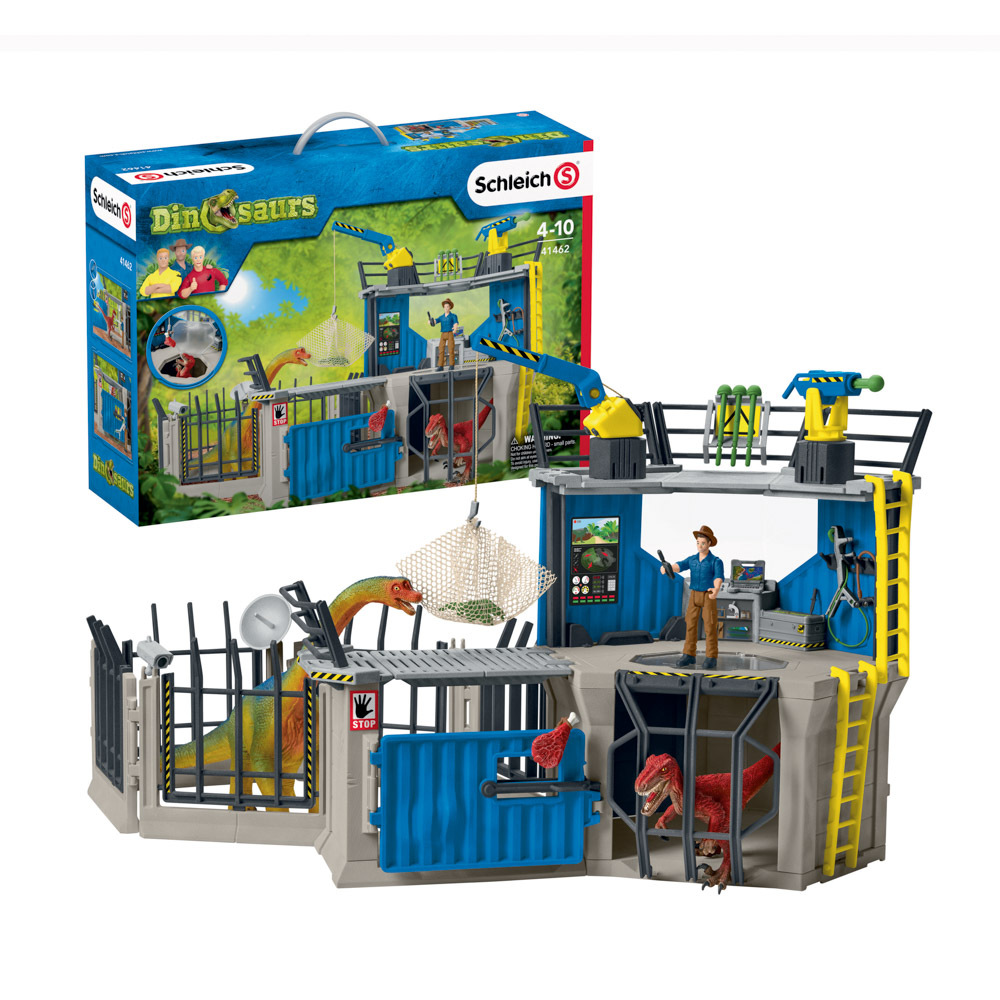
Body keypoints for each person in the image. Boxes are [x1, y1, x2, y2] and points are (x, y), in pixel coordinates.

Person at [670, 525, 724, 669]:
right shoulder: (692, 559)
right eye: (698, 543)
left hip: (708, 595)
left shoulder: (715, 561)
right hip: (694, 594)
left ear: (709, 544)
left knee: (710, 626)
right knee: (690, 624)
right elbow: (680, 565)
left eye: (703, 543)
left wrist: (716, 588)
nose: (700, 546)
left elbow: (718, 576)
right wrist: (669, 567)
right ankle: (689, 654)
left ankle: (711, 656)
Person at [428, 298, 460, 368]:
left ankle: (451, 365)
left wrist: (455, 328)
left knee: (451, 349)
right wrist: (431, 321)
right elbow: (436, 321)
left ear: (450, 307)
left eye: (447, 307)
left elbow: (455, 323)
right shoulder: (441, 317)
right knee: (441, 349)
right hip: (443, 334)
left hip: (450, 333)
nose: (446, 308)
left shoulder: (453, 316)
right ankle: (440, 366)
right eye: (445, 307)